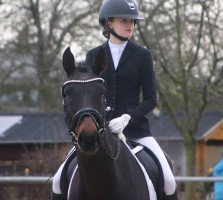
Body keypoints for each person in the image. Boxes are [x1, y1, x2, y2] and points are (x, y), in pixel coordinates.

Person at [51, 0, 178, 199]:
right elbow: (88, 94)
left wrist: (128, 117)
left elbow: (151, 99)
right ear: (109, 23)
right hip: (99, 132)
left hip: (137, 132)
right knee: (58, 181)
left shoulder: (142, 55)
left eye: (133, 21)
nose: (130, 25)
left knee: (169, 181)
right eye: (124, 20)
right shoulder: (94, 55)